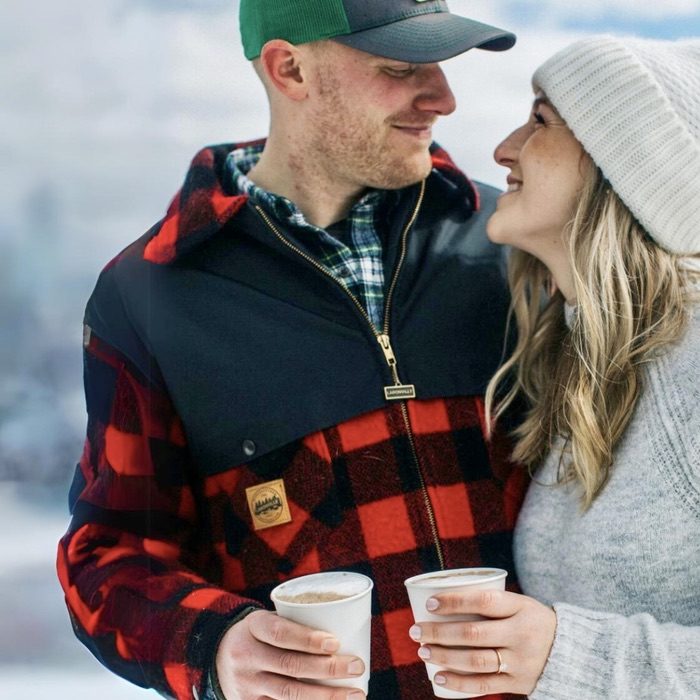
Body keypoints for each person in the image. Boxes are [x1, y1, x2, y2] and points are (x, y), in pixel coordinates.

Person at [56, 2, 527, 699]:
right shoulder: (149, 297)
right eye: (402, 69)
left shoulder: (515, 244)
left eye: (442, 66)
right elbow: (111, 556)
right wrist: (215, 647)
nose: (444, 99)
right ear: (290, 68)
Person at [408, 35, 700, 698]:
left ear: (625, 161)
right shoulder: (574, 360)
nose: (503, 149)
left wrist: (566, 654)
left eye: (540, 121)